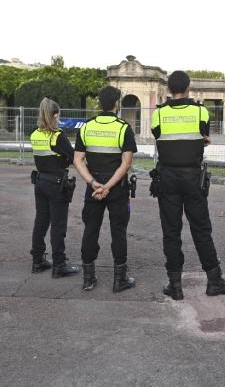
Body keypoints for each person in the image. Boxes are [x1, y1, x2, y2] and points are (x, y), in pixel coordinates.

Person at [150, 70, 225, 300]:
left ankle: (175, 284)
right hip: (192, 177)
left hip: (167, 176)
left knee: (171, 231)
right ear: (189, 88)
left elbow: (159, 136)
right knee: (201, 229)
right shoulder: (200, 111)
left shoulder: (158, 114)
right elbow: (203, 136)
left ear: (168, 89)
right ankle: (214, 280)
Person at [73, 86, 137, 293]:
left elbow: (78, 160)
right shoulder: (123, 128)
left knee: (90, 230)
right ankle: (120, 279)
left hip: (93, 187)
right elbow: (126, 163)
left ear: (100, 103)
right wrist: (108, 186)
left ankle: (88, 279)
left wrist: (93, 183)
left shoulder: (86, 127)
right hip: (116, 188)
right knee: (119, 231)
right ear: (117, 104)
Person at [29, 97, 80, 278]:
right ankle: (59, 264)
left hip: (40, 182)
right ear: (55, 115)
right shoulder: (58, 136)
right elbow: (73, 157)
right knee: (58, 225)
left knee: (41, 222)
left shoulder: (35, 134)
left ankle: (37, 260)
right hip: (56, 184)